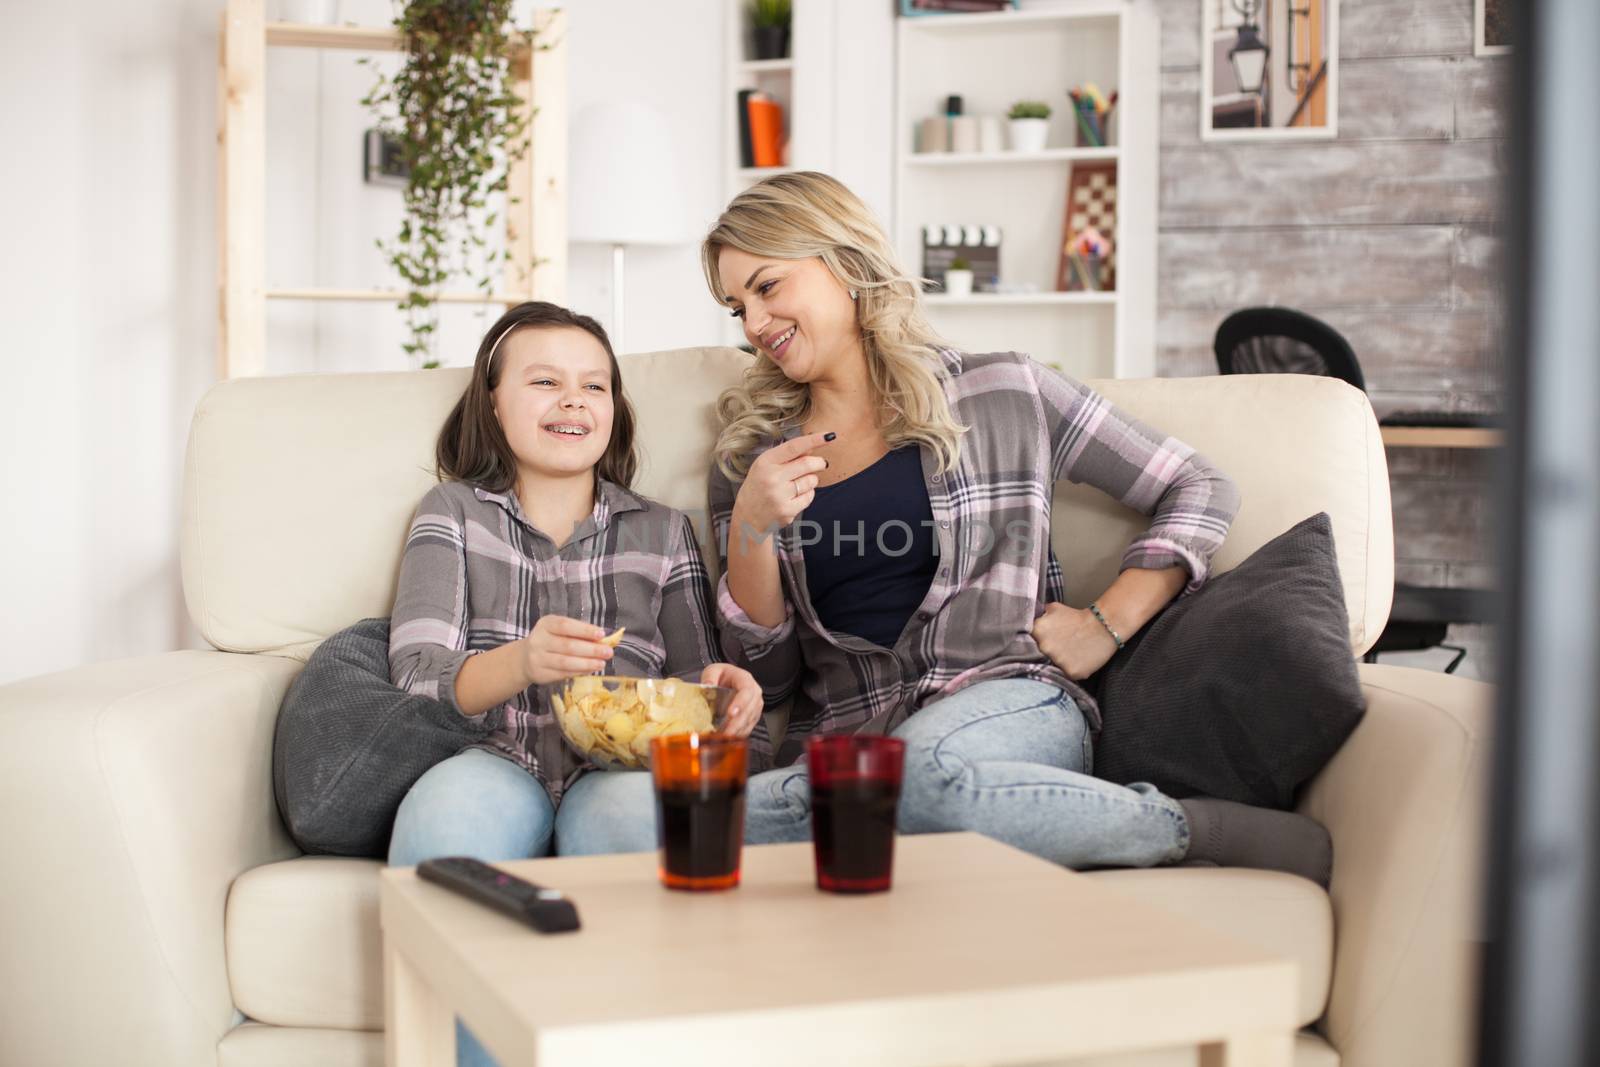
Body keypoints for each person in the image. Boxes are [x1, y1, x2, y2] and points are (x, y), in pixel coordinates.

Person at [699, 170, 1331, 882]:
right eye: (734, 307)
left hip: (1009, 704)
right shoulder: (751, 455)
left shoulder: (1003, 390)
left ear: (846, 265)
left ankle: (1190, 826)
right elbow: (767, 681)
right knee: (686, 820)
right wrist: (750, 526)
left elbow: (1200, 483)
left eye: (767, 287)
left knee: (921, 784)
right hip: (851, 745)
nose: (753, 324)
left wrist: (1108, 620)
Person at [384, 301, 764, 1067]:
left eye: (595, 386)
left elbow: (692, 681)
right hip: (493, 757)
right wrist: (522, 661)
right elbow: (417, 678)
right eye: (545, 380)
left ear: (615, 411)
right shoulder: (452, 514)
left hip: (622, 767)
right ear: (492, 402)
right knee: (442, 838)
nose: (573, 400)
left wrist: (726, 689)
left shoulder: (662, 531)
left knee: (641, 838)